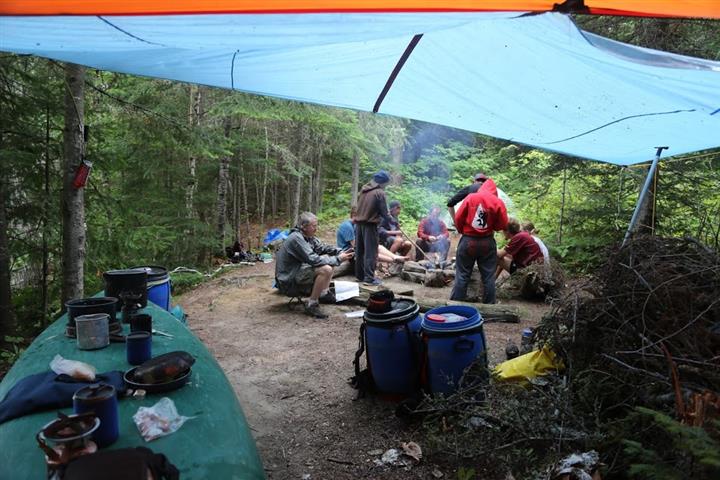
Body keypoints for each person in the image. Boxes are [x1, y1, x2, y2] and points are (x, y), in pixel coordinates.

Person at [275, 212, 354, 318]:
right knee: (325, 269)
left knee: (330, 262)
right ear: (304, 226)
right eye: (314, 226)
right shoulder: (296, 238)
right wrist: (339, 259)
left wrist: (340, 252)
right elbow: (313, 259)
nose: (316, 228)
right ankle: (312, 304)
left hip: (297, 271)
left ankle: (324, 294)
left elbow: (322, 248)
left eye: (316, 225)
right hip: (288, 280)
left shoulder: (307, 236)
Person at [451, 178, 508, 303]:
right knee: (488, 277)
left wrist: (462, 230)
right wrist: (492, 227)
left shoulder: (471, 197)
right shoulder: (498, 202)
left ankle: (455, 304)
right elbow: (502, 225)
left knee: (462, 275)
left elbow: (458, 218)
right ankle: (489, 306)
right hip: (487, 242)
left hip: (468, 241)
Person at [354, 170, 392, 286]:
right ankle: (369, 279)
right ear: (383, 182)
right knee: (371, 252)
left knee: (360, 251)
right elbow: (384, 212)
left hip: (359, 224)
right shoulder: (379, 192)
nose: (386, 185)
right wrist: (393, 221)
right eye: (387, 183)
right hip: (370, 225)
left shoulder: (364, 190)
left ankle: (360, 276)